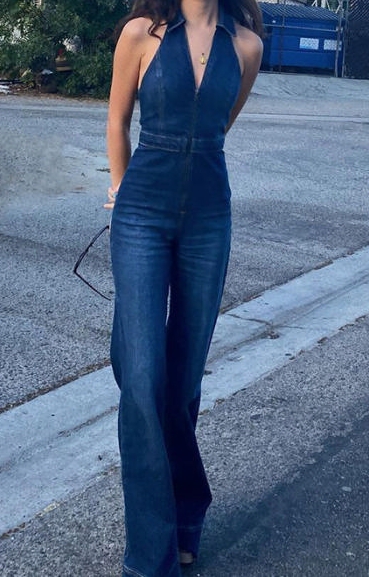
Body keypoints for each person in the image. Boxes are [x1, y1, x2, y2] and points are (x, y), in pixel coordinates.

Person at [105, 0, 263, 574]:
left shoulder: (246, 46)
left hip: (208, 220)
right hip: (140, 216)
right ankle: (151, 557)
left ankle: (185, 514)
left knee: (183, 379)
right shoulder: (140, 34)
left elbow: (219, 125)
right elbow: (118, 120)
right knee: (143, 376)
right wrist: (120, 188)